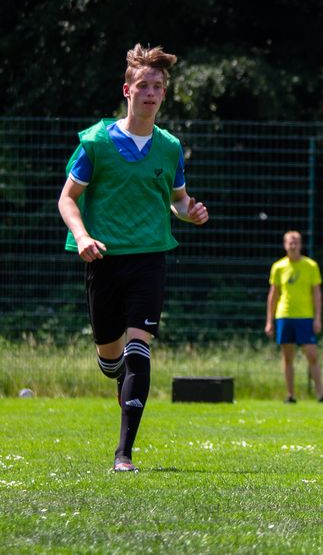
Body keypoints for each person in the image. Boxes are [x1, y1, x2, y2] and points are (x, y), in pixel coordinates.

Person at [57, 43, 209, 473]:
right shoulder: (96, 142)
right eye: (143, 85)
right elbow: (67, 199)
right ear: (127, 90)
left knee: (139, 349)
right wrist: (82, 236)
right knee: (112, 359)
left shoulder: (169, 147)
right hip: (103, 258)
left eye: (157, 86)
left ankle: (123, 454)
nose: (151, 93)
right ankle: (116, 369)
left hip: (149, 258)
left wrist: (190, 212)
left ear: (164, 94)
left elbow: (177, 200)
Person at [265, 230, 323, 404]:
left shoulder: (311, 266)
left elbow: (316, 294)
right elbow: (273, 295)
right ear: (285, 245)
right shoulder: (278, 267)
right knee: (288, 357)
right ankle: (290, 395)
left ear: (300, 245)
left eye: (296, 242)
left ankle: (320, 395)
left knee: (312, 355)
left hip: (305, 317)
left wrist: (317, 318)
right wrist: (269, 321)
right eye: (290, 242)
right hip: (284, 315)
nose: (293, 245)